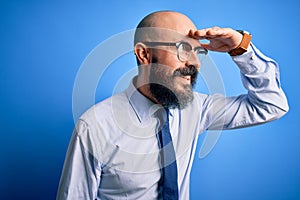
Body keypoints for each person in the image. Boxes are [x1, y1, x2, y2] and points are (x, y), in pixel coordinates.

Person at [56, 11, 289, 199]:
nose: (194, 63)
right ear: (144, 55)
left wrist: (241, 48)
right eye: (183, 49)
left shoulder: (197, 109)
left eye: (197, 51)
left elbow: (272, 105)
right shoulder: (95, 126)